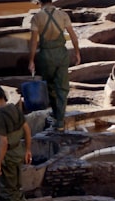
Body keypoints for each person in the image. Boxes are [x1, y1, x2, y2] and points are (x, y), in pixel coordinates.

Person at [27, 0, 81, 131]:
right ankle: (60, 120)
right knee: (62, 88)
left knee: (50, 86)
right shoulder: (62, 15)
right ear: (51, 1)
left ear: (40, 3)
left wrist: (31, 60)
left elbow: (34, 41)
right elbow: (73, 36)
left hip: (46, 55)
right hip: (61, 54)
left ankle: (57, 115)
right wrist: (77, 53)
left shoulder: (37, 17)